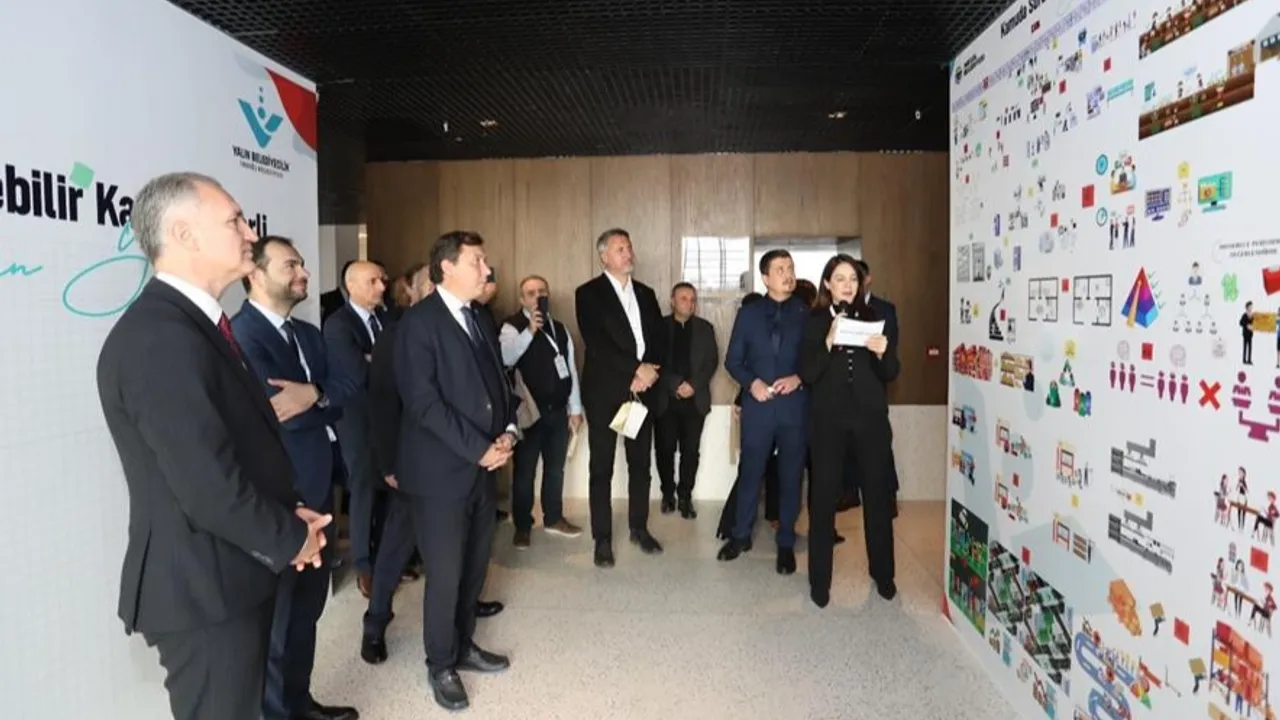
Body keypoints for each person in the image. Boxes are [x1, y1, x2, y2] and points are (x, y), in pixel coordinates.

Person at [95, 172, 330, 720]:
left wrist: (287, 511)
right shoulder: (160, 337)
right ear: (184, 234)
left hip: (229, 573)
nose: (251, 232)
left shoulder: (197, 326)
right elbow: (207, 486)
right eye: (235, 220)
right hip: (201, 588)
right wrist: (291, 538)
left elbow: (237, 448)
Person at [230, 236, 359, 720]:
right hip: (281, 496)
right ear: (255, 274)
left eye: (302, 264)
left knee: (308, 610)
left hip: (320, 488)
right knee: (280, 618)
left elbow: (349, 387)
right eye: (290, 265)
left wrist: (315, 393)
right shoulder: (241, 335)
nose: (303, 272)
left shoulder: (308, 334)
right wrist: (318, 400)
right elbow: (274, 411)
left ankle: (300, 703)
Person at [394, 231, 515, 711]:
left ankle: (463, 645)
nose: (487, 269)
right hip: (440, 474)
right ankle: (440, 663)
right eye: (477, 261)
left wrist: (507, 430)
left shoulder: (479, 316)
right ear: (447, 267)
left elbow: (497, 383)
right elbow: (423, 403)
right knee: (445, 574)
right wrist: (478, 448)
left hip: (483, 468)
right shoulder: (418, 323)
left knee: (473, 566)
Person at [800, 254, 900, 607]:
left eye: (853, 279)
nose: (847, 285)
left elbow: (891, 372)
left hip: (870, 421)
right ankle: (819, 583)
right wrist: (828, 341)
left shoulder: (876, 317)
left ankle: (884, 575)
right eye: (839, 278)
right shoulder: (813, 320)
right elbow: (808, 373)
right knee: (823, 501)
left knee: (877, 498)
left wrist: (884, 352)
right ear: (827, 283)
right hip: (828, 423)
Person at [575, 228, 669, 568]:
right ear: (604, 256)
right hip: (605, 392)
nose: (628, 253)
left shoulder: (645, 292)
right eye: (620, 249)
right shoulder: (588, 293)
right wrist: (635, 369)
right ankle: (602, 539)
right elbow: (597, 343)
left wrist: (649, 372)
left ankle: (638, 528)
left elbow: (659, 337)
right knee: (601, 467)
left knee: (640, 464)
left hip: (642, 392)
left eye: (629, 247)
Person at [719, 250, 809, 575]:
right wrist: (752, 383)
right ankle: (740, 536)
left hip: (794, 408)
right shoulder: (749, 314)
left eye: (791, 268)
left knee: (791, 476)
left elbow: (817, 361)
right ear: (766, 278)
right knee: (751, 473)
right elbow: (733, 360)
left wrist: (799, 378)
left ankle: (785, 542)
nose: (788, 274)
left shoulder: (806, 313)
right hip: (758, 408)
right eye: (780, 269)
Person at [500, 275, 586, 548]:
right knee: (524, 472)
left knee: (555, 469)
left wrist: (575, 408)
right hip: (528, 413)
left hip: (557, 411)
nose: (537, 297)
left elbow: (570, 368)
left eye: (542, 292)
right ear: (522, 299)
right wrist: (530, 331)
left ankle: (554, 518)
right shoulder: (511, 326)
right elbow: (506, 358)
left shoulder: (560, 328)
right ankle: (522, 525)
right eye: (531, 293)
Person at [323, 261, 388, 598]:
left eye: (382, 280)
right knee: (363, 489)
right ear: (351, 285)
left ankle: (387, 557)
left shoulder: (388, 318)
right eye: (372, 281)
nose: (381, 286)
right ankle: (364, 564)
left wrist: (372, 358)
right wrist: (377, 362)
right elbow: (357, 373)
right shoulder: (338, 324)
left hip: (389, 418)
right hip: (356, 420)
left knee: (389, 486)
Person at [655, 282, 719, 519]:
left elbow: (711, 361)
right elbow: (654, 361)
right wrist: (675, 384)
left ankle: (685, 496)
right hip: (666, 401)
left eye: (692, 299)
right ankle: (667, 494)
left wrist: (693, 385)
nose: (689, 303)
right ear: (672, 301)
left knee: (690, 452)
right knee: (664, 450)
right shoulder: (658, 327)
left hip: (695, 400)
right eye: (683, 298)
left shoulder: (705, 328)